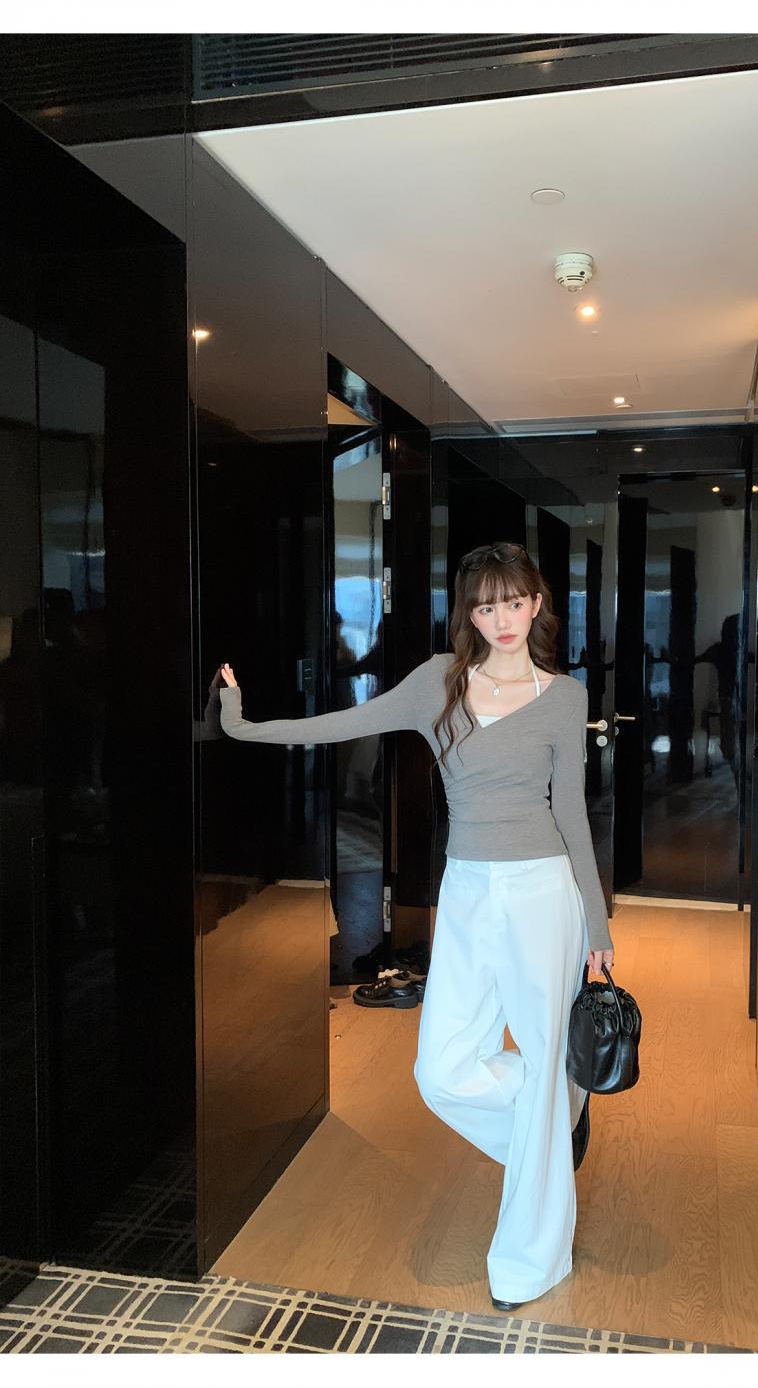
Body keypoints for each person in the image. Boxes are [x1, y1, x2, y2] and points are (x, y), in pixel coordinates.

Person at [216, 541, 616, 1312]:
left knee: (540, 1061)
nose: (503, 618)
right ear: (469, 613)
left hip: (545, 893)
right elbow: (342, 721)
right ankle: (555, 1119)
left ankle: (529, 1260)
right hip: (466, 892)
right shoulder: (438, 681)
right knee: (441, 1071)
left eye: (515, 602)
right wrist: (242, 724)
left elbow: (571, 812)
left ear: (537, 604)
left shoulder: (565, 696)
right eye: (487, 605)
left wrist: (597, 927)